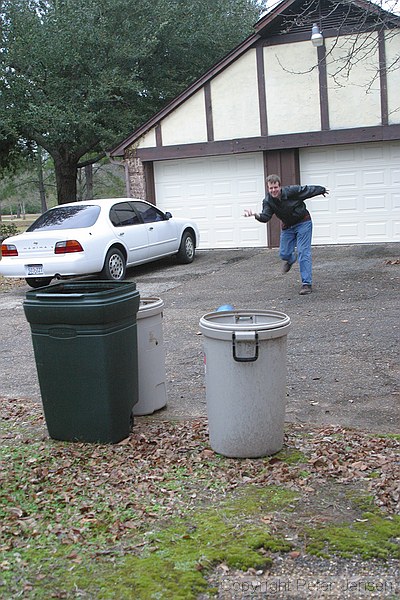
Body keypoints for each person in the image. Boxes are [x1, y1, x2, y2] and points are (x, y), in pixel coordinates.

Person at [244, 174, 328, 295]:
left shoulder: (291, 191)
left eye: (275, 187)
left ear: (280, 186)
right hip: (288, 227)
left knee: (303, 252)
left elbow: (306, 190)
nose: (273, 190)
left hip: (303, 222)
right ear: (268, 188)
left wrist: (321, 190)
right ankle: (290, 259)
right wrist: (255, 215)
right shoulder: (268, 201)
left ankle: (306, 284)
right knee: (284, 253)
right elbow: (266, 216)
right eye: (271, 188)